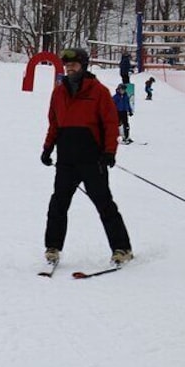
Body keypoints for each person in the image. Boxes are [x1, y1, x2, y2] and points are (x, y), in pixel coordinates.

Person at [40, 48, 133, 266]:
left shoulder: (98, 91)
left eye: (74, 64)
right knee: (58, 205)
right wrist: (47, 148)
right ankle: (52, 247)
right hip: (66, 160)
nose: (69, 68)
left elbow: (111, 124)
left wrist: (110, 151)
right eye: (67, 65)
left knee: (104, 205)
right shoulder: (59, 92)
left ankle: (122, 248)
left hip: (93, 160)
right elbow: (54, 124)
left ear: (83, 65)